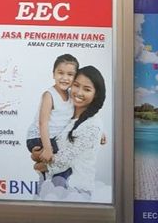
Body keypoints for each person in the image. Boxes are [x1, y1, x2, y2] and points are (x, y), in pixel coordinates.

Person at [32, 65, 107, 198]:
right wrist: (38, 153)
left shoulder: (93, 125)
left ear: (96, 94)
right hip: (50, 186)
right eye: (76, 85)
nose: (79, 92)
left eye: (87, 89)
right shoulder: (66, 112)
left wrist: (39, 165)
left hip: (74, 191)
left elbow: (63, 161)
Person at [26, 54, 78, 171]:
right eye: (60, 73)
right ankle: (41, 162)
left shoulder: (71, 95)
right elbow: (43, 123)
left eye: (70, 74)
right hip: (38, 138)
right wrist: (47, 148)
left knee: (74, 151)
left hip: (55, 138)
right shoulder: (49, 95)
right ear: (53, 74)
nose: (65, 78)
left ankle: (40, 163)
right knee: (69, 156)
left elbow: (80, 116)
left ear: (75, 77)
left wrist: (98, 131)